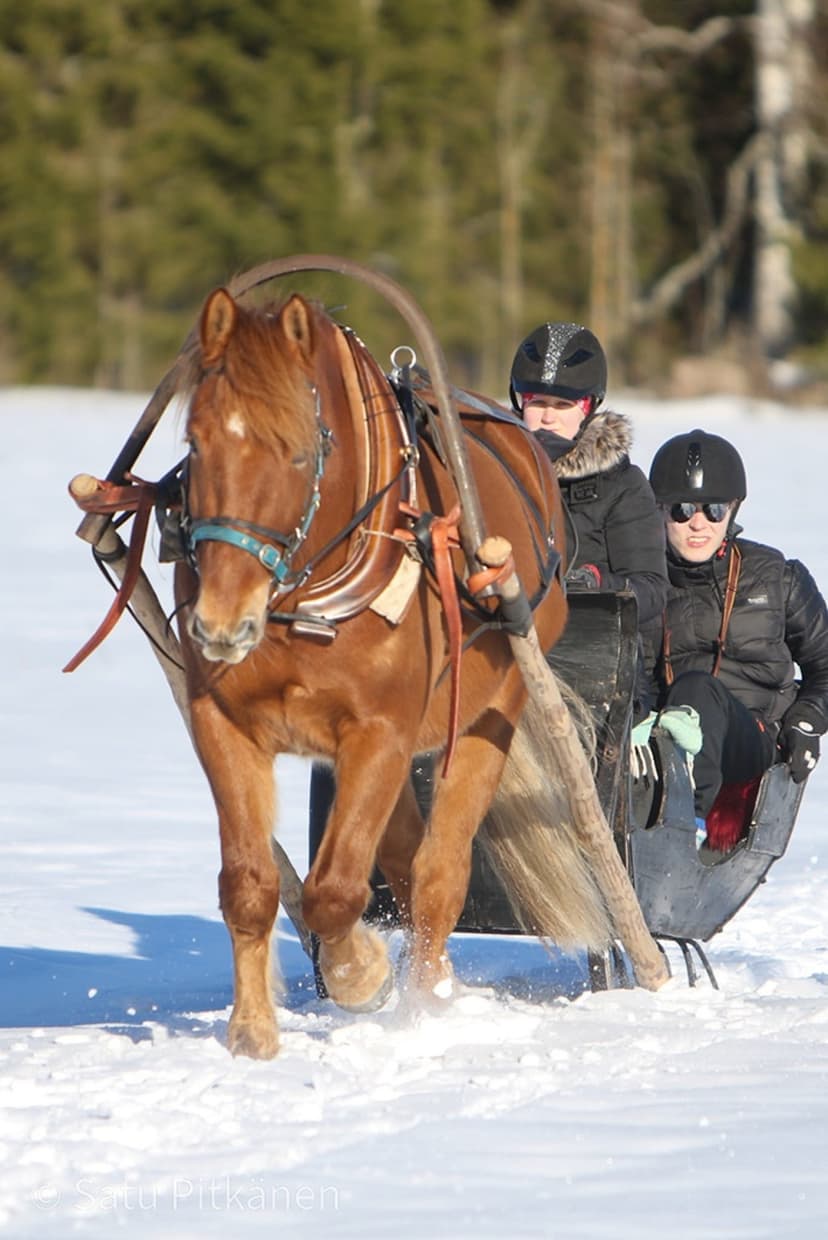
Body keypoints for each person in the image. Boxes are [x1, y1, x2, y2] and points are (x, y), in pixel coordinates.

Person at [645, 428, 828, 844]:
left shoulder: (777, 577)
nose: (698, 523)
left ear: (732, 511)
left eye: (713, 510)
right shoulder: (644, 582)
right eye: (683, 509)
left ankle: (683, 834)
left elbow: (825, 666)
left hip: (752, 740)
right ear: (660, 510)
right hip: (664, 740)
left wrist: (806, 722)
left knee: (697, 692)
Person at [510, 322, 668, 723]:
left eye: (562, 406)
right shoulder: (494, 473)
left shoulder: (623, 486)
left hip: (596, 665)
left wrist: (597, 583)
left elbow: (651, 588)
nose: (547, 418)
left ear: (589, 407)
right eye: (537, 402)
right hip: (506, 651)